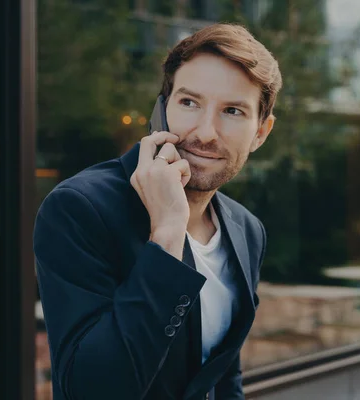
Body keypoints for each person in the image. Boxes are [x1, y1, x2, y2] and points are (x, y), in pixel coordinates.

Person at [33, 23, 283, 400]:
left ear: (261, 132)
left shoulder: (246, 229)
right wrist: (167, 233)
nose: (206, 132)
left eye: (232, 110)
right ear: (162, 108)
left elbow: (221, 372)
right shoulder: (79, 208)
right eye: (189, 102)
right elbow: (90, 391)